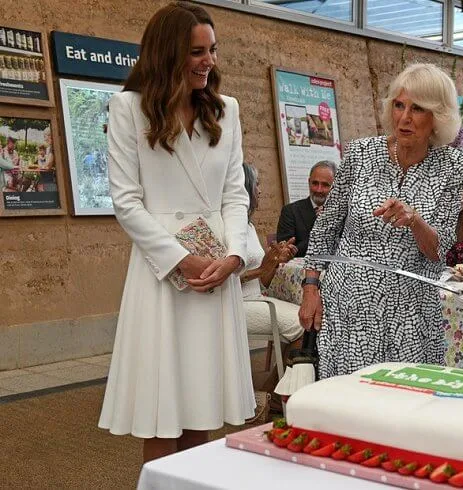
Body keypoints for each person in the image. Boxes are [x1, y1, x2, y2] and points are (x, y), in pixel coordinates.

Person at [98, 2, 255, 463]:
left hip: (217, 266)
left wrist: (234, 256)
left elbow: (235, 194)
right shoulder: (129, 108)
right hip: (163, 271)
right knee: (163, 408)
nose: (209, 61)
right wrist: (182, 260)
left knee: (203, 401)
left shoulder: (226, 110)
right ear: (167, 54)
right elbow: (127, 202)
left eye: (212, 50)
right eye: (195, 51)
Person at [299, 63, 463, 379]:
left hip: (411, 312)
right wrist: (311, 286)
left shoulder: (452, 166)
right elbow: (326, 227)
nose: (404, 117)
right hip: (350, 306)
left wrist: (414, 220)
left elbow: (440, 250)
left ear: (438, 117)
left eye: (417, 109)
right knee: (348, 403)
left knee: (404, 406)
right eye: (399, 105)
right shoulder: (361, 153)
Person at [240, 163, 303, 391]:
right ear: (244, 188)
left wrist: (276, 260)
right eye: (256, 184)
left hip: (256, 298)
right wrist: (262, 267)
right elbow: (225, 279)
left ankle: (273, 388)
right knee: (302, 323)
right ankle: (277, 393)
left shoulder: (247, 224)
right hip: (237, 305)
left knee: (306, 316)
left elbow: (262, 282)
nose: (259, 190)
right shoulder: (228, 226)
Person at [276, 160, 336, 257]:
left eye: (325, 185)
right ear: (309, 182)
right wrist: (320, 227)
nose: (319, 189)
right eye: (315, 183)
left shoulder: (344, 214)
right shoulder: (290, 211)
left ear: (335, 187)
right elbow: (287, 253)